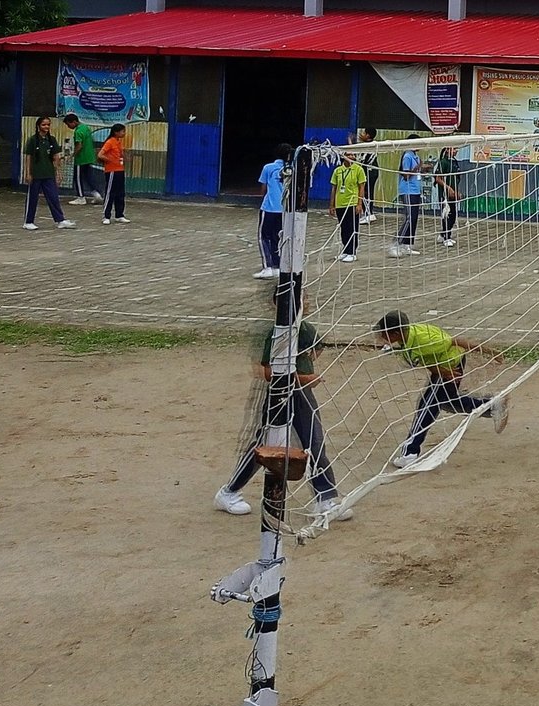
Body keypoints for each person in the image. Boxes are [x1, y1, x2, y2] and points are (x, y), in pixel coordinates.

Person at [216, 290, 348, 522]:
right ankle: (229, 492)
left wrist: (306, 367)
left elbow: (316, 349)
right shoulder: (276, 333)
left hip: (302, 395)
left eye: (307, 297)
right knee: (265, 447)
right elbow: (268, 373)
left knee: (314, 444)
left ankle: (325, 499)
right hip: (280, 396)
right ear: (284, 303)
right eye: (301, 298)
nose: (306, 302)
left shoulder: (305, 329)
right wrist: (303, 378)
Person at [373, 308, 508, 465]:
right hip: (444, 368)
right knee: (448, 402)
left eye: (384, 332)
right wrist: (440, 370)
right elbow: (426, 360)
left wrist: (491, 352)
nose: (381, 336)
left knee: (427, 405)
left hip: (452, 365)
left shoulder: (425, 340)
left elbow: (457, 341)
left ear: (396, 333)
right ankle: (491, 405)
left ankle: (410, 452)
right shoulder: (406, 341)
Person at [21, 117, 70, 230]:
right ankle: (28, 221)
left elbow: (55, 157)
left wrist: (58, 172)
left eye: (48, 125)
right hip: (36, 173)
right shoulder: (33, 140)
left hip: (48, 173)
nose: (46, 127)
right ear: (38, 126)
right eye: (44, 125)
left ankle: (60, 219)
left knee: (53, 197)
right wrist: (28, 173)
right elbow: (28, 157)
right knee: (33, 197)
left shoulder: (51, 140)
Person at [255, 147, 290, 280]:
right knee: (277, 237)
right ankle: (277, 265)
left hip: (269, 208)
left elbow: (263, 187)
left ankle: (267, 267)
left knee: (263, 237)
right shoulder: (290, 169)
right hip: (283, 209)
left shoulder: (268, 168)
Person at [330, 151, 366, 262]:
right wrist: (332, 205)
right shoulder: (338, 171)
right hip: (340, 203)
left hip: (352, 202)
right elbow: (334, 188)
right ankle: (345, 250)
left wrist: (359, 203)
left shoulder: (358, 169)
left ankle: (352, 252)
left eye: (353, 155)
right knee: (344, 228)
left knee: (352, 228)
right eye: (348, 155)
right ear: (343, 156)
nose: (351, 157)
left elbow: (361, 187)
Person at [390, 145, 423, 257]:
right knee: (409, 218)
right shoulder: (407, 155)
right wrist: (418, 167)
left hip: (416, 190)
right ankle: (396, 243)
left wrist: (422, 168)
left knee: (414, 218)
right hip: (408, 190)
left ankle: (407, 245)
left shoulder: (416, 156)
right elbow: (406, 175)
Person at [64, 112, 101, 205]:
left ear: (74, 122)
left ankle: (81, 197)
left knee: (78, 178)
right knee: (88, 177)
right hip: (89, 157)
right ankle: (96, 194)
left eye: (68, 124)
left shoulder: (78, 131)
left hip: (81, 159)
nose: (68, 126)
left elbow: (79, 145)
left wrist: (72, 155)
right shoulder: (85, 127)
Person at [98, 123, 130, 223]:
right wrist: (110, 160)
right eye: (122, 131)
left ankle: (119, 214)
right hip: (112, 171)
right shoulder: (110, 142)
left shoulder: (118, 142)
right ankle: (106, 216)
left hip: (120, 170)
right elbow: (100, 154)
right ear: (116, 132)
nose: (124, 133)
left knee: (120, 193)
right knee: (110, 193)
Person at [434, 144, 461, 247]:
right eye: (454, 148)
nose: (456, 150)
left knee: (453, 215)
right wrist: (448, 188)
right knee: (447, 214)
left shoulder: (454, 162)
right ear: (447, 150)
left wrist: (457, 191)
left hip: (453, 193)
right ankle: (446, 237)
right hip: (445, 194)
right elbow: (438, 179)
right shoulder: (443, 162)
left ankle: (444, 234)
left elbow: (456, 179)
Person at [354, 128, 380, 223]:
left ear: (368, 135)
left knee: (366, 192)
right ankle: (369, 213)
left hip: (369, 172)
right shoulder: (368, 144)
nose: (362, 134)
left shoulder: (369, 146)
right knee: (368, 192)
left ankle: (368, 213)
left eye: (364, 133)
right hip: (370, 172)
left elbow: (362, 160)